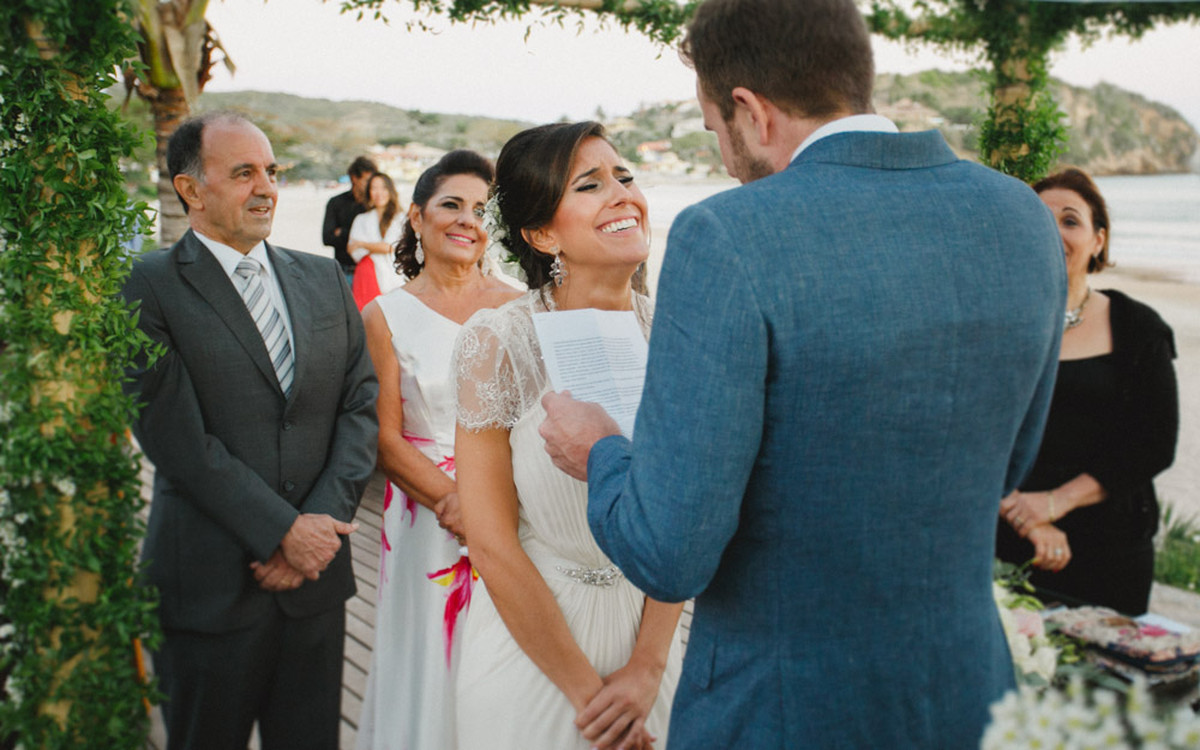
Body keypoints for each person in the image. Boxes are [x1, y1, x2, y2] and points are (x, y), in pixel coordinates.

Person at [537, 1, 1066, 747]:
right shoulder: (1021, 216)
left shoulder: (728, 235)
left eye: (715, 130)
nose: (727, 161)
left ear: (751, 111)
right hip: (968, 692)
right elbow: (1010, 461)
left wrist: (600, 452)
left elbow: (669, 551)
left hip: (786, 710)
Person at [121, 112, 379, 750]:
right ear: (190, 189)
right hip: (210, 584)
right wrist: (283, 532)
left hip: (317, 585)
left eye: (271, 171)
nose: (265, 187)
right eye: (243, 173)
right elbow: (174, 439)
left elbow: (360, 405)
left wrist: (320, 525)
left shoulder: (323, 277)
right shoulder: (146, 285)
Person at [452, 122, 683, 750]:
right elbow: (491, 544)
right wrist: (589, 698)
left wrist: (646, 670)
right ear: (542, 234)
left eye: (625, 176)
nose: (622, 193)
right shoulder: (497, 341)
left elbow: (686, 521)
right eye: (590, 184)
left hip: (656, 648)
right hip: (534, 656)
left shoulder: (678, 336)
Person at [354, 150, 522, 750]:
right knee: (432, 648)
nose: (467, 220)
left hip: (515, 507)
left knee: (508, 654)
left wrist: (496, 505)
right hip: (428, 513)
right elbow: (383, 437)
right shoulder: (384, 315)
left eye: (481, 210)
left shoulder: (521, 307)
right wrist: (457, 501)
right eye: (452, 204)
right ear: (418, 217)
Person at [996, 168, 1178, 615]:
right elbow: (968, 435)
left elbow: (1154, 443)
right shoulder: (995, 326)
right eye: (1041, 219)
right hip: (1009, 540)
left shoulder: (1138, 328)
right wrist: (1027, 518)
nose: (1054, 231)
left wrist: (1054, 503)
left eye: (1070, 220)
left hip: (1112, 548)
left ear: (1098, 241)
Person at [348, 172, 406, 308]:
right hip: (367, 276)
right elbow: (353, 251)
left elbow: (391, 247)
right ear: (369, 192)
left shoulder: (401, 218)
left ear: (390, 190)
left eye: (383, 188)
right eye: (374, 188)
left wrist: (362, 244)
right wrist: (378, 247)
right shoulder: (361, 219)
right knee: (368, 317)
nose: (379, 193)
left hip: (395, 277)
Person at [323, 155, 377, 282]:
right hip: (344, 271)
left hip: (371, 271)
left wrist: (342, 232)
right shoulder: (336, 202)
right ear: (354, 178)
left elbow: (381, 239)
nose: (370, 185)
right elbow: (327, 238)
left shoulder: (374, 205)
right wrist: (363, 240)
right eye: (366, 180)